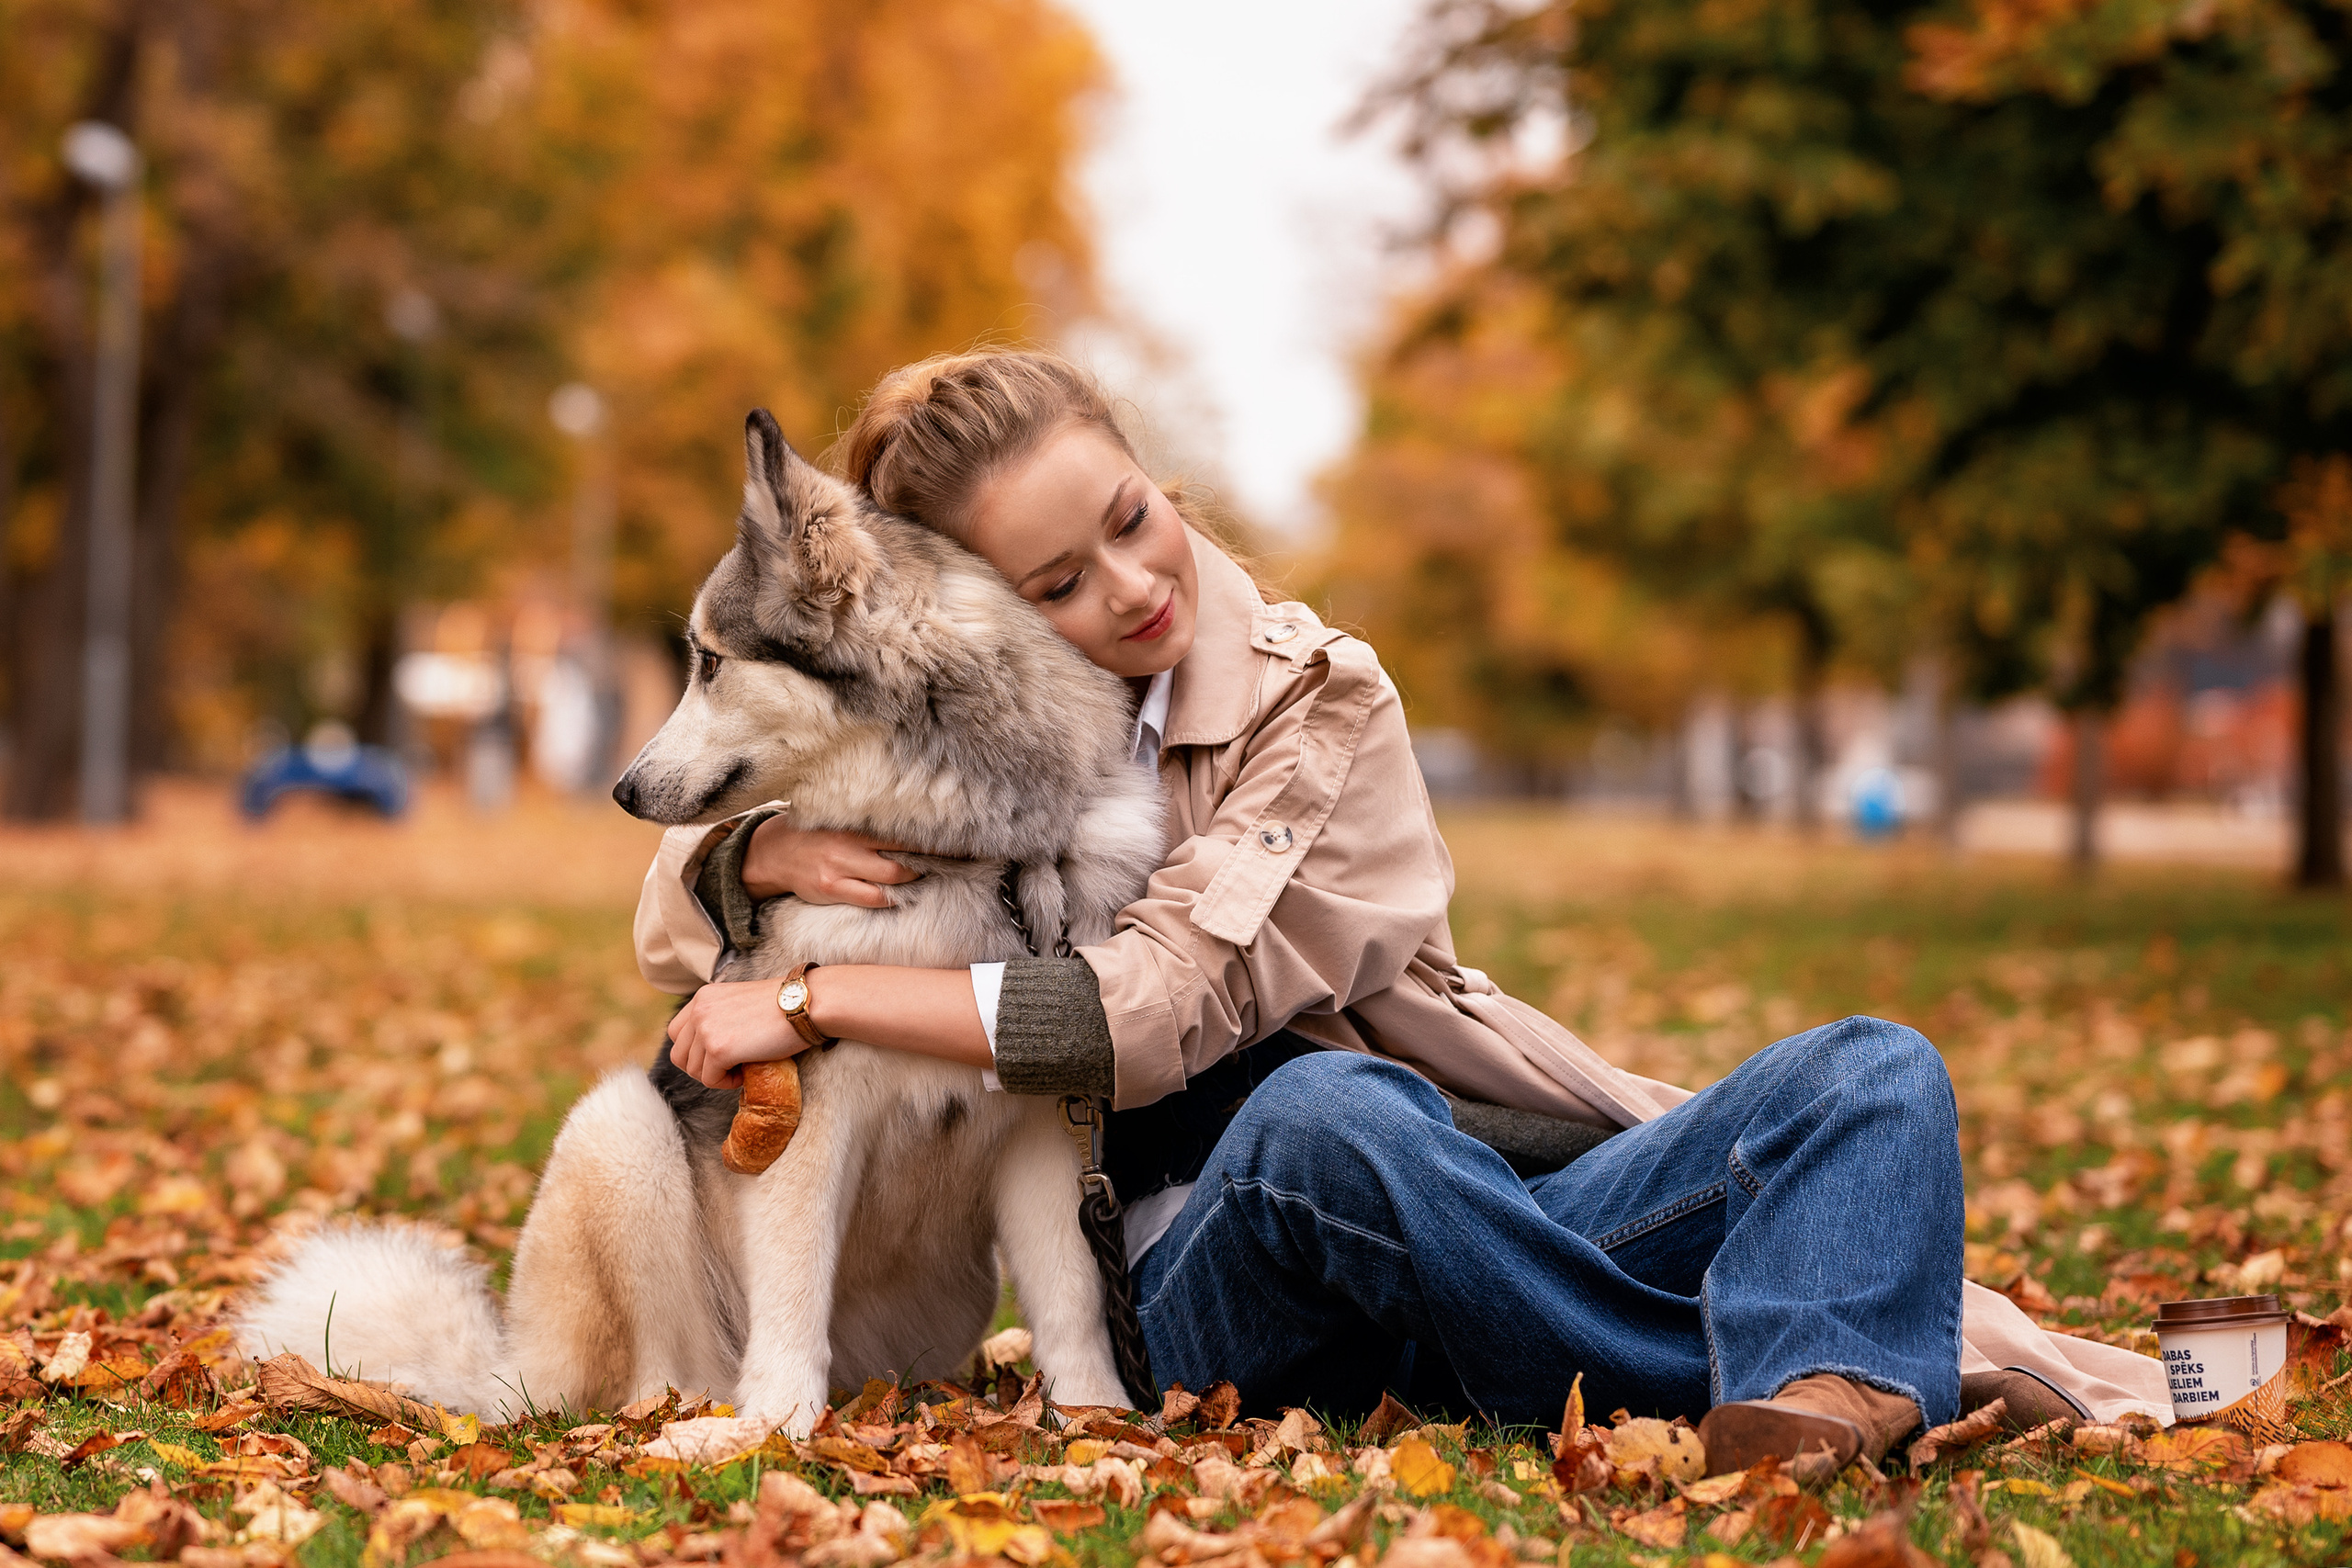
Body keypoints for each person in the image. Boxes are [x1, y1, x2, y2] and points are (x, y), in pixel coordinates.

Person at [644, 349, 2165, 1471]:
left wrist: (810, 999)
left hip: (1454, 1194)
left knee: (1870, 1071)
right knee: (1324, 1123)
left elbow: (1145, 1017)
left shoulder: (1317, 700)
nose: (1128, 584)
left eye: (1129, 518)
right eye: (1055, 585)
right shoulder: (940, 746)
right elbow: (671, 901)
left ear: (1157, 483)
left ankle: (1818, 1398)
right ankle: (1796, 1359)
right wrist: (752, 861)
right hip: (1191, 1284)